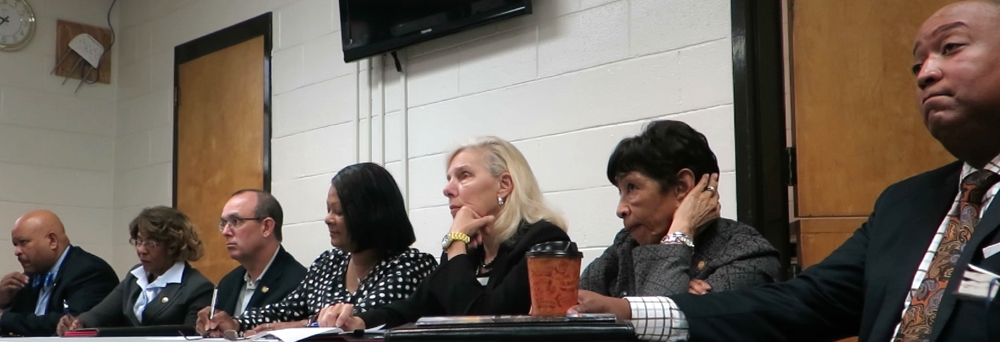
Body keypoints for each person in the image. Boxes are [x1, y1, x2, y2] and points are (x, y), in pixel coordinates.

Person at [571, 1, 1000, 341]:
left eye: (951, 47)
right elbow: (805, 303)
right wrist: (627, 310)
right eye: (916, 65)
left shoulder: (743, 251)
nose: (925, 73)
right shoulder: (904, 205)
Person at [315, 136, 572, 330]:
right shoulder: (469, 251)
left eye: (464, 176)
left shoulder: (544, 241)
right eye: (449, 178)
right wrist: (359, 321)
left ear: (504, 185)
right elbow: (414, 308)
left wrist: (456, 243)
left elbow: (482, 322)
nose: (447, 189)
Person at [197, 163, 437, 336]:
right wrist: (236, 323)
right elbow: (286, 308)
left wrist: (297, 325)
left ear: (370, 215)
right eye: (328, 210)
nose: (327, 219)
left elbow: (357, 318)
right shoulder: (329, 263)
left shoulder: (410, 265)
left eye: (338, 212)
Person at [577, 120, 779, 309]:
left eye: (632, 187)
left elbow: (660, 329)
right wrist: (683, 302)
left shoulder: (746, 254)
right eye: (620, 191)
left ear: (681, 187)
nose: (620, 209)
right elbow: (570, 307)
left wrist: (680, 230)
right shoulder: (625, 246)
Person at [56, 206, 213, 335]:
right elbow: (99, 315)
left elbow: (191, 337)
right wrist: (77, 323)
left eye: (151, 243)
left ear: (172, 245)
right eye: (138, 242)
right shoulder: (135, 277)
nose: (141, 250)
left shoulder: (197, 288)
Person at [0, 210, 118, 336]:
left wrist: (4, 318)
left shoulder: (90, 271)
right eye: (15, 245)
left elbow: (71, 324)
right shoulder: (30, 276)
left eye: (23, 242)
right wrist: (4, 302)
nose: (17, 251)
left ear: (52, 241)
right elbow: (20, 322)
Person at [214, 190, 306, 316]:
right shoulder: (227, 284)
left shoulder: (298, 283)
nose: (225, 232)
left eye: (236, 221)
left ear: (267, 227)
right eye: (223, 223)